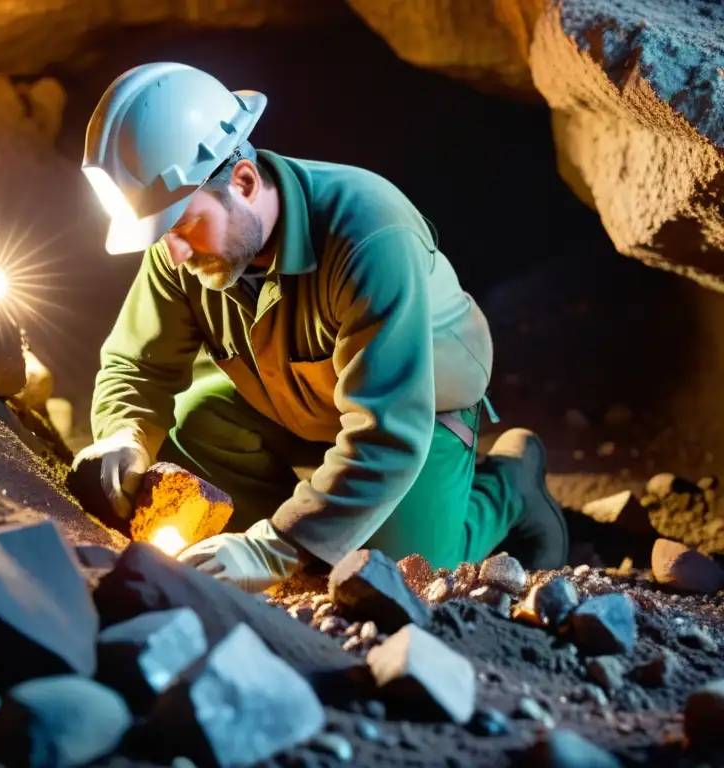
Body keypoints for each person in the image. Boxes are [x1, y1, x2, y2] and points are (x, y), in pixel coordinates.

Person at [69, 62, 568, 593]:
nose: (174, 252)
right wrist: (124, 434)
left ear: (242, 180)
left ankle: (509, 483)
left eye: (184, 225)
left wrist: (277, 546)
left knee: (402, 571)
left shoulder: (369, 234)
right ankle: (307, 517)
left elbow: (388, 430)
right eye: (161, 232)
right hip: (292, 399)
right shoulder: (178, 246)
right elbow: (137, 366)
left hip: (415, 409)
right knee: (192, 427)